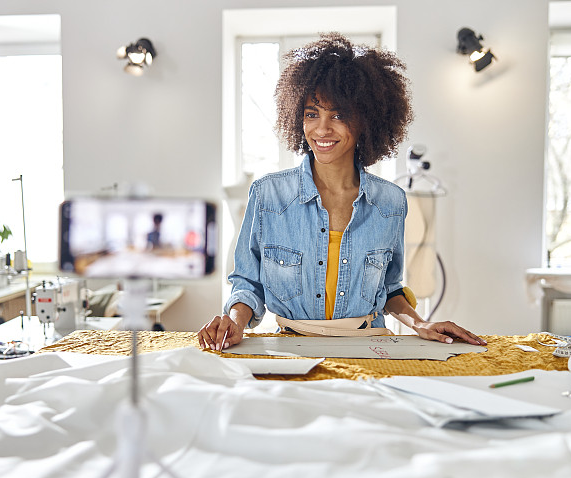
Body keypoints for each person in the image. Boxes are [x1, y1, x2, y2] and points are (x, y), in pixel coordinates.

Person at [199, 33, 485, 351]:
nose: (322, 129)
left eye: (338, 115)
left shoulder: (390, 202)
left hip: (370, 347)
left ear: (366, 120)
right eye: (312, 113)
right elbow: (249, 283)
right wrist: (233, 323)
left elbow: (390, 290)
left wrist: (421, 323)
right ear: (298, 118)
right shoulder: (268, 196)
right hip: (291, 349)